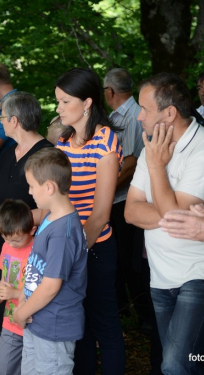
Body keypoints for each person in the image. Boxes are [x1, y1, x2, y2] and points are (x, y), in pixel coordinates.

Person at [125, 73, 204, 374]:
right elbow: (131, 213)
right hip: (160, 277)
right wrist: (170, 208)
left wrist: (157, 167)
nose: (139, 117)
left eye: (144, 109)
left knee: (175, 365)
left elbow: (174, 217)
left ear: (169, 113)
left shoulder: (200, 148)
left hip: (196, 275)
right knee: (192, 363)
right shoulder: (150, 148)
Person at [54, 68, 125, 374]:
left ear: (86, 103)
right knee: (77, 327)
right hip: (68, 246)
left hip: (93, 248)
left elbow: (100, 214)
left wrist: (73, 251)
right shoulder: (63, 140)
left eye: (64, 101)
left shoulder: (106, 141)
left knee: (104, 324)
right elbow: (54, 199)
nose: (58, 108)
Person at [0, 91, 53, 326]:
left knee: (28, 310)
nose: (0, 123)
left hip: (31, 249)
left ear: (14, 121)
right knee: (5, 307)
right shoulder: (9, 152)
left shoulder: (46, 155)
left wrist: (10, 222)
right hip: (3, 246)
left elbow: (53, 209)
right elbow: (0, 191)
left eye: (2, 118)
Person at [14, 147, 88, 375]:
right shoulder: (50, 217)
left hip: (53, 327)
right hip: (38, 322)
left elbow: (50, 286)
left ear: (49, 187)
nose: (29, 191)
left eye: (32, 186)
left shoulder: (63, 233)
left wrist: (22, 312)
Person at [103, 68, 145, 316]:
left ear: (110, 91)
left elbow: (129, 164)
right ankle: (126, 309)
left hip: (124, 199)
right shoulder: (119, 115)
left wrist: (103, 193)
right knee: (121, 258)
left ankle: (138, 313)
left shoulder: (130, 117)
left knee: (128, 259)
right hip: (119, 198)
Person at [0, 199, 36, 375]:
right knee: (4, 369)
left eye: (16, 240)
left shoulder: (37, 250)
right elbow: (4, 278)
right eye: (6, 238)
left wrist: (14, 292)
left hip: (32, 324)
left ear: (32, 230)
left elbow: (43, 289)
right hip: (10, 322)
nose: (11, 244)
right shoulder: (7, 246)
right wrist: (0, 294)